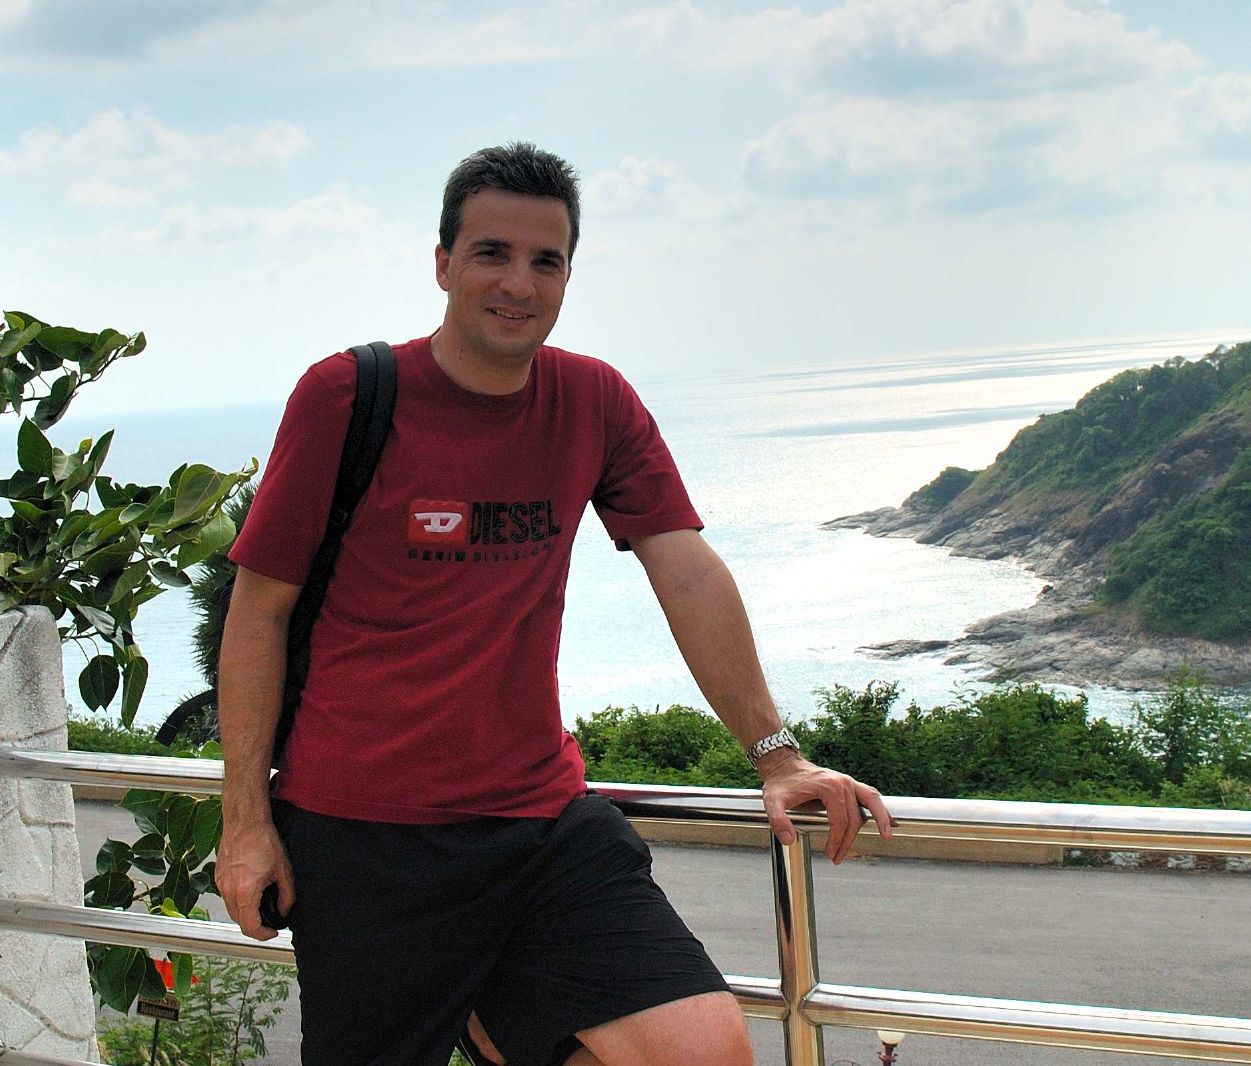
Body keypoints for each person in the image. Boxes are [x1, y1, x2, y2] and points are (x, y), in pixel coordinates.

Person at [214, 142, 894, 1066]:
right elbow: (260, 612)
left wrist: (777, 756)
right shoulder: (348, 395)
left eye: (547, 260)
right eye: (492, 253)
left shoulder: (593, 400)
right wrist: (246, 821)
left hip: (540, 825)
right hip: (369, 841)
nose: (519, 283)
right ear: (443, 263)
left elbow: (686, 571)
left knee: (702, 1052)